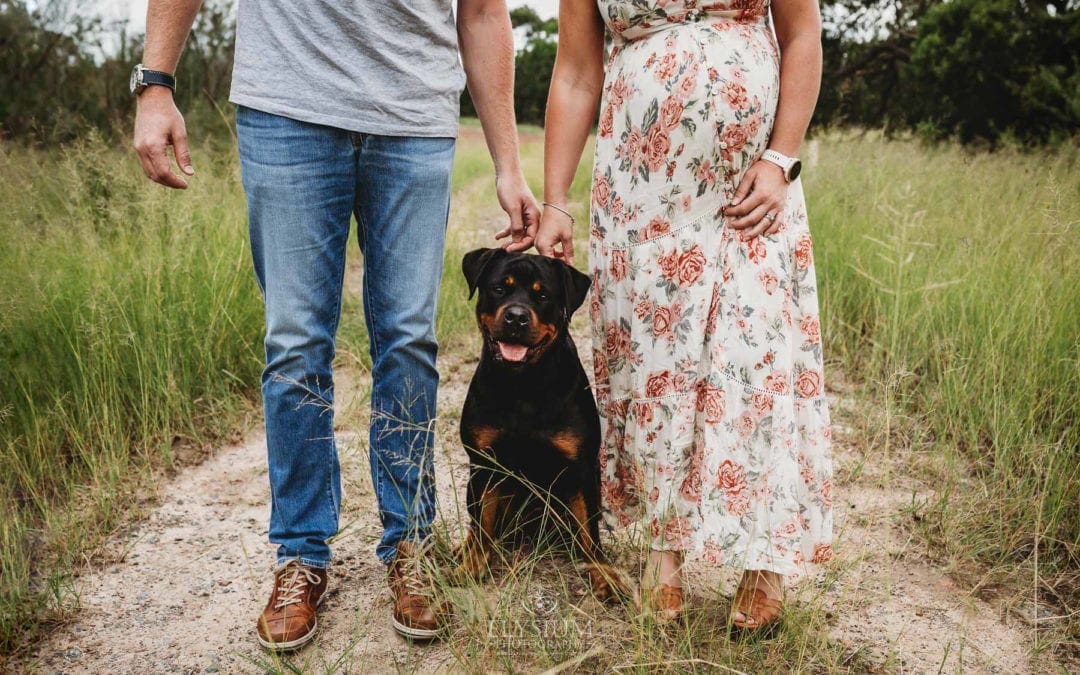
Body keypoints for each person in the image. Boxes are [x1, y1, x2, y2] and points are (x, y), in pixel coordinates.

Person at [132, 0, 539, 648]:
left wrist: (509, 163)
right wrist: (156, 82)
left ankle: (410, 542)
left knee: (408, 340)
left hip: (414, 114)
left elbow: (484, 11)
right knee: (294, 344)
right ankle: (301, 553)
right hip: (287, 106)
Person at [533, 0, 832, 629]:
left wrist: (781, 159)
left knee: (754, 359)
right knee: (651, 367)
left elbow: (802, 33)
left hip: (749, 187)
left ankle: (764, 559)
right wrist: (556, 200)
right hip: (640, 190)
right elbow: (577, 72)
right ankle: (659, 558)